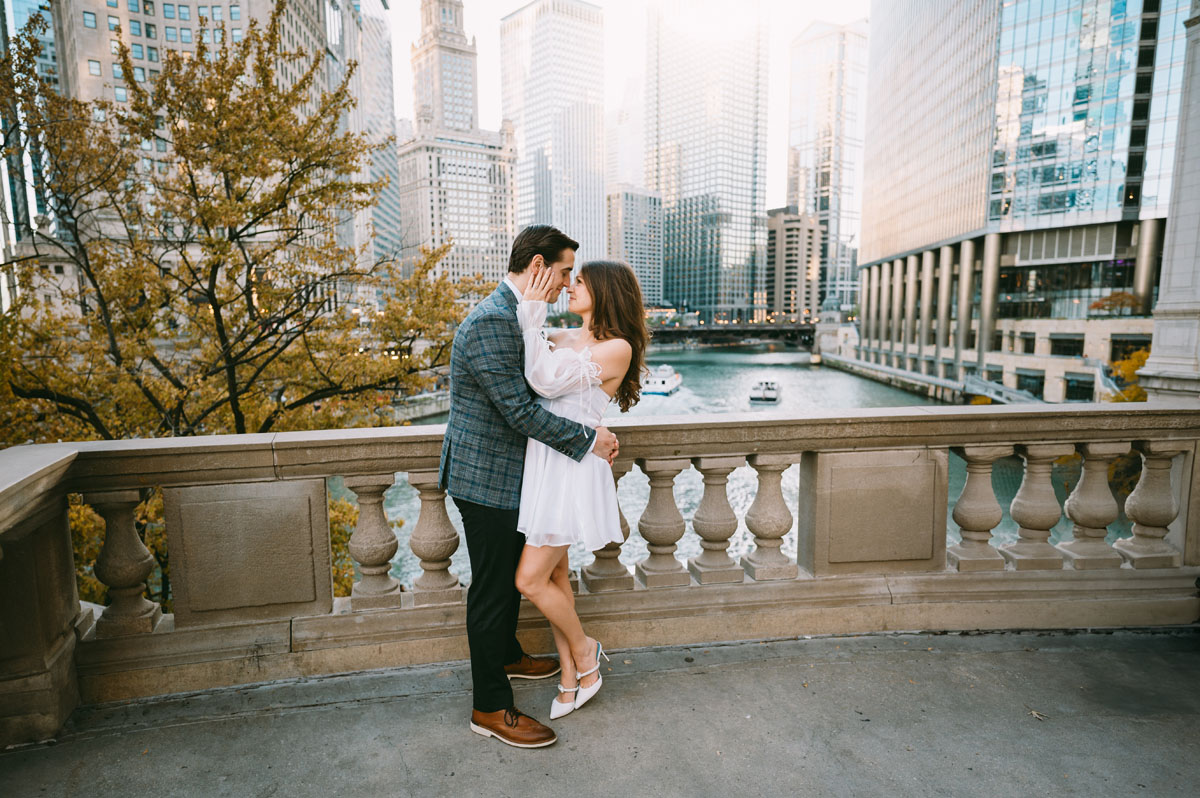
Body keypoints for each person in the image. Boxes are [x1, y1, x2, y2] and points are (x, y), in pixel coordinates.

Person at [439, 225, 619, 749]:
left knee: (509, 581)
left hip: (511, 476)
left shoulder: (512, 314)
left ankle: (508, 655)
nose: (567, 285)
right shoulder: (493, 321)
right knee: (495, 590)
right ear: (538, 266)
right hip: (487, 478)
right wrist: (588, 439)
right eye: (564, 272)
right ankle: (490, 707)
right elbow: (520, 409)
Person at [513, 259, 648, 720]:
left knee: (527, 578)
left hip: (572, 469)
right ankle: (572, 677)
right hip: (547, 462)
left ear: (605, 292)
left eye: (580, 282)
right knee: (552, 577)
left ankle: (586, 651)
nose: (570, 287)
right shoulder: (565, 338)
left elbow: (543, 380)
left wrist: (533, 312)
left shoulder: (618, 348)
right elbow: (527, 363)